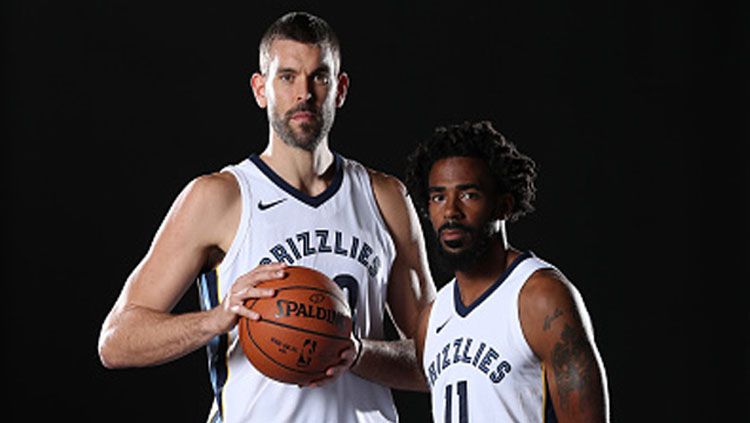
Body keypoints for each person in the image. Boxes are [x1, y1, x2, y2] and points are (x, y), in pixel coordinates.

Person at [98, 11, 435, 423]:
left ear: (340, 89)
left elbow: (433, 357)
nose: (304, 94)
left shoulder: (384, 197)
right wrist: (217, 320)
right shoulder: (219, 197)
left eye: (320, 77)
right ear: (261, 89)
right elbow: (116, 341)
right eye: (287, 77)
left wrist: (358, 352)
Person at [406, 121, 609, 422]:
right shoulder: (432, 319)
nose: (450, 211)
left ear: (503, 206)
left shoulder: (540, 297)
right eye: (438, 197)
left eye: (468, 195)